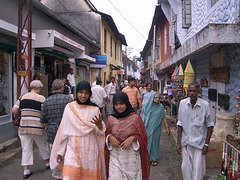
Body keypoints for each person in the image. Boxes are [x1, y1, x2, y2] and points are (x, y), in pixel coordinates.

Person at [50, 81, 106, 180]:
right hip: (72, 150)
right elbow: (63, 131)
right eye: (80, 92)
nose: (83, 96)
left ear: (90, 94)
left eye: (86, 93)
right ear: (76, 93)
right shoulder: (69, 108)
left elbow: (99, 133)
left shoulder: (95, 109)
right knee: (70, 176)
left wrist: (99, 126)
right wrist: (60, 151)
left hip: (90, 152)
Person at [105, 92, 150, 180]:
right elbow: (104, 135)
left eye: (121, 104)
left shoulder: (135, 118)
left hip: (131, 159)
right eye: (116, 104)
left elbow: (143, 136)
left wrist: (133, 138)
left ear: (126, 103)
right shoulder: (110, 119)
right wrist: (110, 137)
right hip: (115, 157)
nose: (119, 107)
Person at [12, 80, 50, 179]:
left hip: (24, 127)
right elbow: (44, 113)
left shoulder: (22, 97)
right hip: (37, 127)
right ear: (39, 88)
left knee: (26, 148)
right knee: (42, 145)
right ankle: (47, 163)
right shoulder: (41, 98)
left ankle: (26, 170)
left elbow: (14, 110)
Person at [177, 81, 215, 180]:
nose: (192, 93)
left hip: (199, 144)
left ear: (198, 92)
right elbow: (180, 124)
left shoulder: (205, 105)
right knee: (185, 170)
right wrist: (178, 143)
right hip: (186, 142)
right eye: (190, 91)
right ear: (187, 92)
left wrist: (206, 144)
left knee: (198, 171)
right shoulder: (182, 104)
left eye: (194, 91)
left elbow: (210, 125)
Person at [40, 79, 73, 180]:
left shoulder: (46, 101)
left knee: (55, 157)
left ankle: (56, 176)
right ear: (62, 88)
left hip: (52, 133)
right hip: (67, 133)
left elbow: (43, 120)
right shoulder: (68, 100)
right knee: (67, 156)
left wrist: (48, 126)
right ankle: (67, 175)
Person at [140, 92, 170, 166]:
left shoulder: (160, 107)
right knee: (147, 142)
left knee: (155, 143)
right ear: (152, 98)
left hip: (156, 128)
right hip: (148, 128)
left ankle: (153, 159)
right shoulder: (147, 106)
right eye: (155, 97)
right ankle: (146, 158)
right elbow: (142, 115)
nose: (157, 99)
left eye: (158, 98)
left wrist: (167, 127)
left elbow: (163, 117)